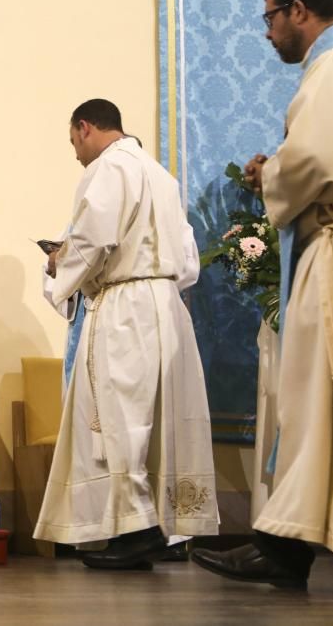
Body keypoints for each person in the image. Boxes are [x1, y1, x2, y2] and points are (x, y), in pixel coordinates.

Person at [191, 0, 333, 592]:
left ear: (299, 10)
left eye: (270, 17)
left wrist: (269, 175)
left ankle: (283, 549)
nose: (269, 33)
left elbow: (320, 162)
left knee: (318, 400)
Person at [32, 99, 218, 569]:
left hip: (125, 307)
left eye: (74, 141)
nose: (76, 152)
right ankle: (162, 525)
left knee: (119, 418)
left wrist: (59, 265)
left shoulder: (107, 167)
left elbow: (94, 239)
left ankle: (134, 530)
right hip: (168, 306)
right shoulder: (161, 174)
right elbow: (189, 258)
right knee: (161, 419)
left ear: (85, 127)